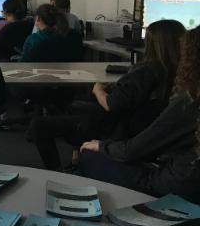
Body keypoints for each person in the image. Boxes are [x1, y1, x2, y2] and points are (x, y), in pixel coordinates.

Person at [29, 19, 185, 170]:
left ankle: (57, 171)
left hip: (110, 127)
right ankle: (78, 158)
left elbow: (111, 104)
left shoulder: (146, 72)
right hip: (143, 135)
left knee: (39, 126)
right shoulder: (184, 74)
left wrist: (98, 88)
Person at [78, 27, 200, 200]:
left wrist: (102, 146)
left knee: (88, 156)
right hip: (188, 174)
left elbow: (134, 150)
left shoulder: (191, 101)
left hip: (179, 185)